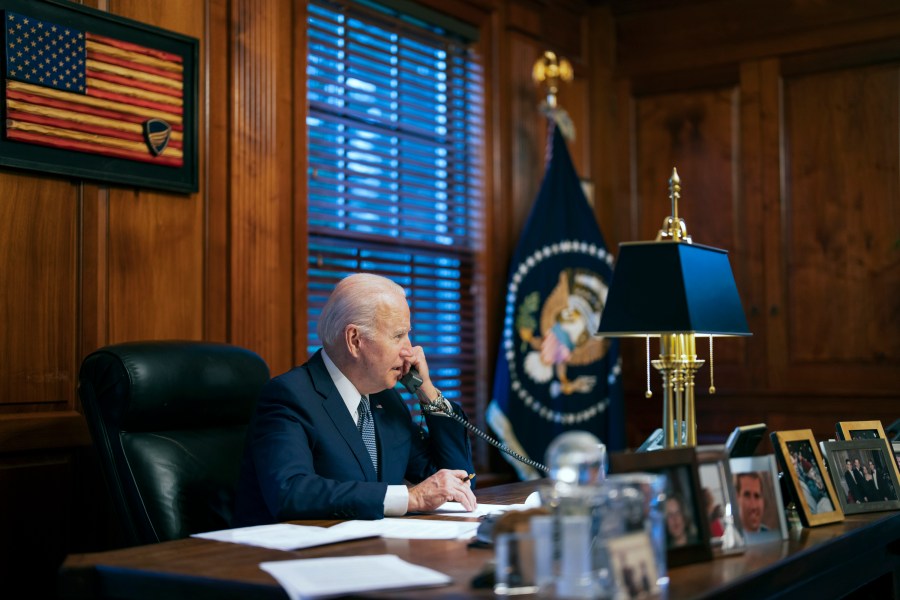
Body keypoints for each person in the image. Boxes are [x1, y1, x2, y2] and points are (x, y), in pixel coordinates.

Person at [233, 273, 476, 524]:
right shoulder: (289, 396)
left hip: (372, 551)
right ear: (354, 340)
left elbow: (458, 483)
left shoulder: (387, 401)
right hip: (286, 556)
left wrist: (428, 392)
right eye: (398, 336)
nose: (410, 350)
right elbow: (290, 492)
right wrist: (410, 498)